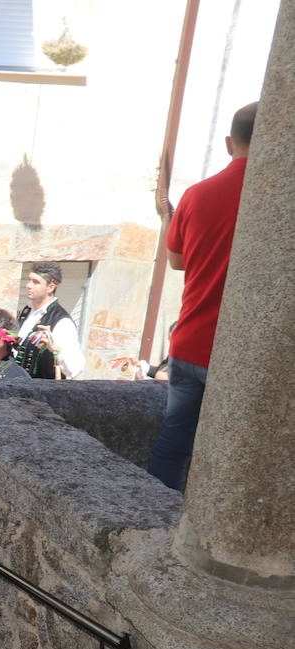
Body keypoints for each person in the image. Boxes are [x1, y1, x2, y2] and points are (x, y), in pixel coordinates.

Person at [148, 102, 257, 491]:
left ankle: (152, 520)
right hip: (238, 352)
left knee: (173, 442)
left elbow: (176, 261)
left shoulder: (196, 194)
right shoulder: (274, 199)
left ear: (230, 143)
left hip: (189, 341)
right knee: (233, 453)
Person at [9, 263, 85, 379]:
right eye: (29, 280)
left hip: (41, 392)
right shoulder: (26, 312)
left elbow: (75, 369)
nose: (28, 285)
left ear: (51, 287)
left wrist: (54, 349)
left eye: (36, 282)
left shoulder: (62, 322)